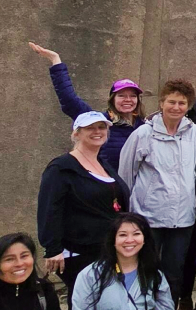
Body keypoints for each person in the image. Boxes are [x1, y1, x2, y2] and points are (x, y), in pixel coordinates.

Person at [118, 78, 196, 310]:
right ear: (162, 102)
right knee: (146, 271)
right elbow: (126, 174)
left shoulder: (195, 134)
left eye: (182, 103)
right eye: (171, 102)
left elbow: (195, 173)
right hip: (149, 217)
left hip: (182, 220)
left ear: (188, 106)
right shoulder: (143, 134)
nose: (176, 107)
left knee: (174, 274)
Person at [37, 112, 132, 289]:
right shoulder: (61, 167)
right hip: (78, 252)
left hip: (106, 249)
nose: (97, 131)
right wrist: (52, 249)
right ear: (76, 133)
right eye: (90, 128)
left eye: (102, 127)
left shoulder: (102, 164)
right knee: (84, 307)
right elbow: (49, 208)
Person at [29, 42, 140, 174]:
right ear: (112, 99)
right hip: (105, 188)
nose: (128, 100)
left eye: (132, 96)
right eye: (121, 95)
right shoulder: (98, 121)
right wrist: (55, 60)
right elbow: (69, 99)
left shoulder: (145, 126)